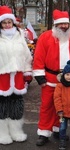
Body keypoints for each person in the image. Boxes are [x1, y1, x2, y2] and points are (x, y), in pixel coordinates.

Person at [33, 9, 70, 146]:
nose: (63, 26)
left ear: (69, 24)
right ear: (55, 24)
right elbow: (38, 57)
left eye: (66, 24)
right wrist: (40, 77)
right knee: (47, 105)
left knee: (63, 105)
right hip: (50, 77)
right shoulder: (45, 37)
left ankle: (58, 130)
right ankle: (44, 132)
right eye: (61, 24)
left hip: (69, 79)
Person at [0, 6, 33, 144]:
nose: (7, 25)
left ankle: (16, 131)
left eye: (9, 22)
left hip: (17, 77)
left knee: (16, 106)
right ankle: (2, 133)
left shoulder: (19, 35)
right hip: (2, 77)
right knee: (2, 107)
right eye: (4, 22)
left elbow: (26, 55)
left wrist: (27, 71)